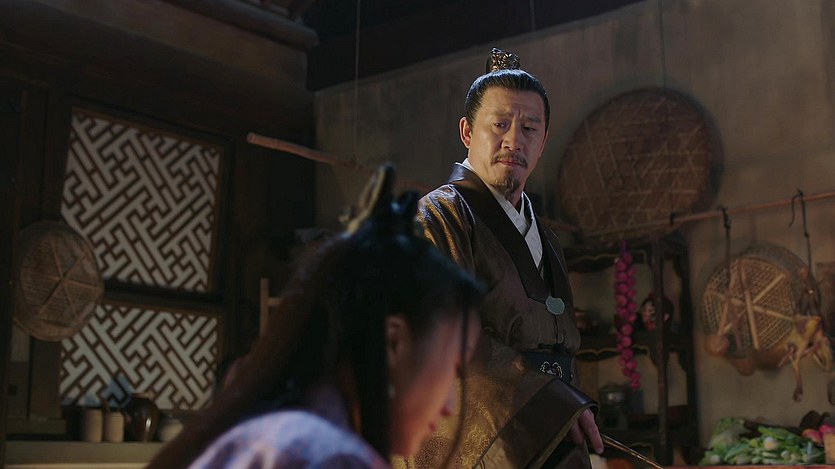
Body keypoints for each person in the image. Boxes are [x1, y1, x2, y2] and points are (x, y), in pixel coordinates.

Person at [148, 165, 485, 468]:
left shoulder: (269, 433)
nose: (449, 406)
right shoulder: (330, 457)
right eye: (454, 369)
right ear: (392, 342)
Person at [412, 48, 604, 468]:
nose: (514, 141)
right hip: (481, 440)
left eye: (530, 128)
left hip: (553, 428)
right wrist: (550, 400)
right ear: (467, 132)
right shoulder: (437, 217)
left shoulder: (546, 238)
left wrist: (566, 405)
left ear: (543, 141)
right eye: (499, 124)